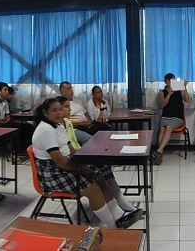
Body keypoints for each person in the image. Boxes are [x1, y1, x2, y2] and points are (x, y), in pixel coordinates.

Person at [31, 97, 143, 229]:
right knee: (93, 189)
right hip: (53, 172)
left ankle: (119, 216)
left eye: (60, 109)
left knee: (99, 174)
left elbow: (70, 148)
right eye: (54, 110)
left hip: (65, 164)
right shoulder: (46, 130)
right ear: (45, 113)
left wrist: (83, 162)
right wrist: (80, 169)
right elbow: (58, 160)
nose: (59, 113)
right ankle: (114, 227)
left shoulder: (59, 124)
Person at [154, 73, 189, 165]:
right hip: (166, 116)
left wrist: (184, 88)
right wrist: (169, 94)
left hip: (177, 117)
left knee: (168, 127)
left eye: (172, 80)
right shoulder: (162, 92)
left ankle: (159, 151)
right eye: (168, 80)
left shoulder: (179, 90)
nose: (170, 82)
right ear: (165, 82)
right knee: (162, 128)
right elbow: (163, 104)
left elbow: (187, 100)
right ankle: (159, 153)